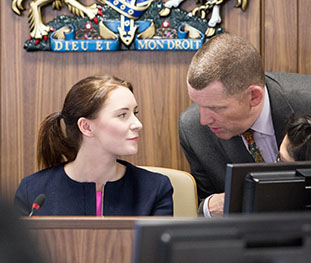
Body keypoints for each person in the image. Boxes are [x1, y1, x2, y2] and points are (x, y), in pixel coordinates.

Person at [179, 33, 311, 217]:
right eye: (198, 104)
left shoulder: (307, 102)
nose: (204, 120)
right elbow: (202, 200)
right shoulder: (193, 129)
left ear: (254, 97)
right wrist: (209, 207)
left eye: (215, 108)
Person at [14, 74, 173, 216]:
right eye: (123, 115)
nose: (137, 124)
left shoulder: (156, 189)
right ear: (86, 127)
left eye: (135, 113)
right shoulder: (32, 192)